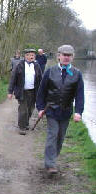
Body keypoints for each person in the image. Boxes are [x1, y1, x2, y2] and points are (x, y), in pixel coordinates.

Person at [36, 44, 84, 174]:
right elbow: (41, 92)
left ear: (72, 57)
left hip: (66, 111)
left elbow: (80, 95)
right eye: (64, 55)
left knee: (60, 137)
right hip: (51, 110)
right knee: (53, 134)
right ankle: (50, 164)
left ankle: (52, 158)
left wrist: (78, 112)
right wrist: (40, 108)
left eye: (69, 55)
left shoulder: (77, 74)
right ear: (59, 56)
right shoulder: (49, 71)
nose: (66, 58)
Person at [8, 49, 42, 135]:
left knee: (31, 109)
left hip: (33, 91)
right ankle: (22, 127)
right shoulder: (19, 65)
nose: (31, 57)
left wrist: (42, 92)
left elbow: (40, 79)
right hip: (22, 91)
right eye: (29, 55)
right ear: (25, 56)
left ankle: (26, 122)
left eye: (32, 55)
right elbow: (13, 78)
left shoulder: (37, 66)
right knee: (23, 109)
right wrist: (10, 91)